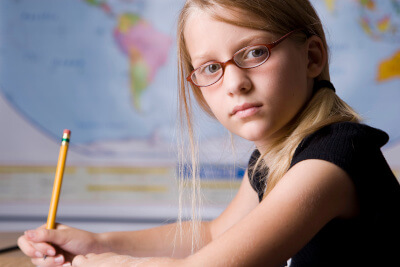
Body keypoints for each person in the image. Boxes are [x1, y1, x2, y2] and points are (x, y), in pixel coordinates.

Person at [18, 0, 400, 266]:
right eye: (211, 68)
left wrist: (109, 264)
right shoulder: (276, 155)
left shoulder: (333, 160)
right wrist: (96, 244)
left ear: (312, 57)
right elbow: (216, 236)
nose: (235, 83)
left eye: (254, 53)